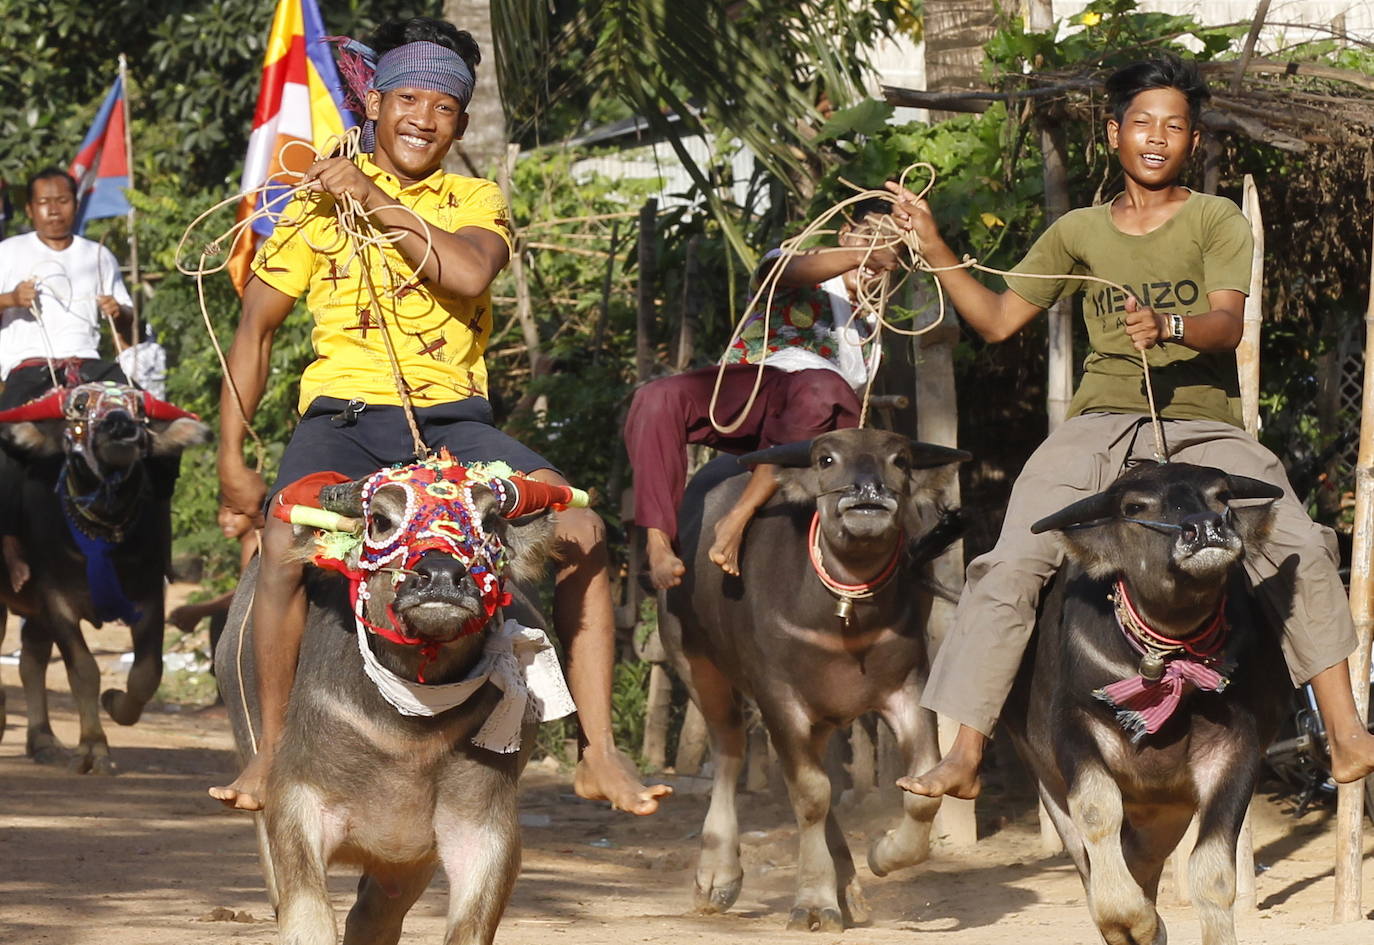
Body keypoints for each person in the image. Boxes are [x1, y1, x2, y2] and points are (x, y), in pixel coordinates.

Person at [210, 16, 670, 816]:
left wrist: (376, 200)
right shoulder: (314, 211)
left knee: (587, 534)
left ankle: (597, 750)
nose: (425, 118)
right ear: (377, 104)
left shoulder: (474, 200)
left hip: (457, 428)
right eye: (409, 98)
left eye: (446, 106)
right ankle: (276, 754)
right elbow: (253, 330)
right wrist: (229, 460)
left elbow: (464, 271)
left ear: (461, 123)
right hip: (343, 422)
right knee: (284, 541)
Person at [885, 53, 1374, 800]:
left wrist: (1171, 322)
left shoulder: (1216, 220)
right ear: (1113, 133)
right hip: (1101, 424)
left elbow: (1226, 323)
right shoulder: (1077, 230)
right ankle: (965, 752)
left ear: (1194, 140)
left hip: (1202, 427)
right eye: (1141, 122)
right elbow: (993, 320)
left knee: (1298, 542)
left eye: (1173, 126)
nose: (1157, 136)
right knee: (1013, 559)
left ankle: (1345, 736)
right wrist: (934, 246)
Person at [624, 198, 902, 589]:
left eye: (893, 249)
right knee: (656, 397)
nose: (877, 255)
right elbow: (779, 269)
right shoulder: (797, 262)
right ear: (845, 234)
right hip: (752, 387)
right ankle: (656, 543)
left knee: (824, 389)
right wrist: (868, 252)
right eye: (872, 236)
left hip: (813, 420)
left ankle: (737, 517)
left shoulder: (873, 332)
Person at [0, 166, 135, 591]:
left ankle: (144, 538)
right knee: (6, 443)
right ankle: (9, 545)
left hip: (90, 366)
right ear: (30, 209)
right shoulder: (8, 252)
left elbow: (128, 328)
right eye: (45, 202)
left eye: (63, 201)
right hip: (30, 366)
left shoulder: (98, 255)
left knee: (145, 420)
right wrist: (10, 298)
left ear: (76, 205)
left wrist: (120, 311)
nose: (54, 210)